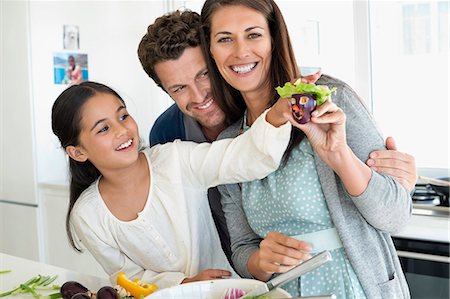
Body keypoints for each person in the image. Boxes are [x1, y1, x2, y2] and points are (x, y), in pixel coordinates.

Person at [137, 9, 417, 270]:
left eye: (204, 75)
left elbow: (390, 208)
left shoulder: (310, 98)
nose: (199, 97)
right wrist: (252, 263)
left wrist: (386, 180)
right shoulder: (167, 136)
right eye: (179, 88)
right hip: (230, 275)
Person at [199, 0, 412, 298]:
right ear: (210, 50)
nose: (240, 52)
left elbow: (395, 216)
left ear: (275, 38)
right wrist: (261, 260)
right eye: (224, 39)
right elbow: (241, 251)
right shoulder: (229, 144)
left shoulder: (328, 100)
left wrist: (338, 155)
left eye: (253, 34)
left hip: (356, 287)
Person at [51, 80, 313, 289]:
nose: (122, 131)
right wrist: (184, 285)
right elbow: (127, 280)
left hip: (231, 292)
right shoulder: (87, 216)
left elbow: (241, 157)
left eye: (122, 116)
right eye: (103, 129)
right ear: (77, 152)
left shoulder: (175, 159)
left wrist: (277, 116)